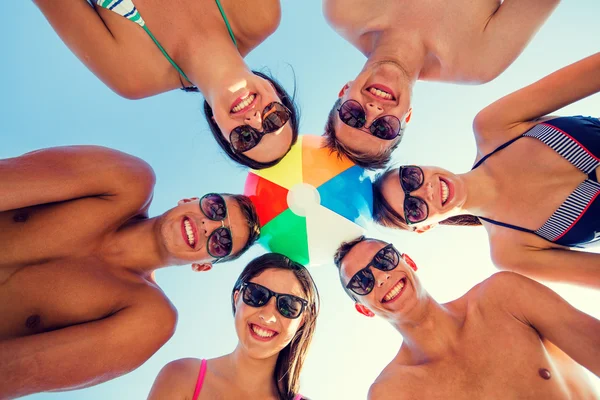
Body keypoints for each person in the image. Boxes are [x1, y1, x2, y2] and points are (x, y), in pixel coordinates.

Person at [0, 145, 261, 398]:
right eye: (215, 208)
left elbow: (18, 372)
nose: (208, 226)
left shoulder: (147, 319)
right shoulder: (124, 180)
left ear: (202, 265)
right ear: (189, 200)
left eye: (221, 242)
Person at [372, 53, 600, 288]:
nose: (424, 191)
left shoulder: (493, 125)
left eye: (410, 178)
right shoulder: (512, 252)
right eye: (414, 208)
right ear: (425, 227)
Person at [32, 0, 300, 169]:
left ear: (219, 127)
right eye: (274, 119)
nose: (254, 120)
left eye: (246, 138)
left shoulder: (133, 77)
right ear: (277, 93)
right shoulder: (259, 13)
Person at [334, 237, 600, 399]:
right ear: (364, 309)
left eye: (384, 258)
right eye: (362, 282)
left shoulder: (503, 297)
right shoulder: (394, 392)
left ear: (409, 262)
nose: (381, 277)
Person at [322, 0, 560, 169]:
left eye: (353, 116)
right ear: (407, 117)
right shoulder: (478, 62)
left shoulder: (344, 10)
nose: (373, 111)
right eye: (384, 129)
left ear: (344, 90)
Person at [147, 253, 319, 400]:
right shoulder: (181, 376)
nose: (267, 316)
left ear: (302, 321)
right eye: (257, 294)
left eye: (288, 306)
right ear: (237, 298)